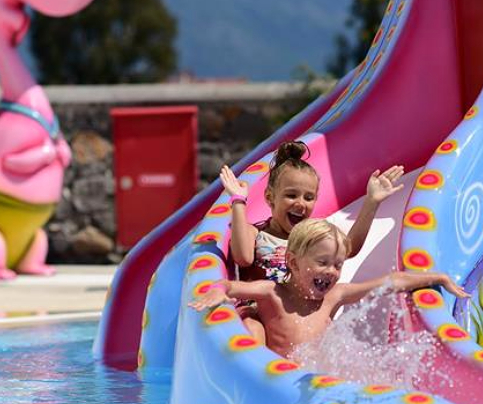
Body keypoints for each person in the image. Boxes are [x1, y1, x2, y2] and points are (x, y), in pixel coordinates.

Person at [189, 219, 468, 358]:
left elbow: (389, 283)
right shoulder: (271, 293)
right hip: (277, 381)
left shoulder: (335, 296)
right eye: (322, 262)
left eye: (337, 265)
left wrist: (437, 277)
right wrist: (218, 291)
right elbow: (228, 284)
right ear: (294, 263)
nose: (331, 272)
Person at [219, 141, 404, 340]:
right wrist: (238, 201)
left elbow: (347, 249)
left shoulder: (312, 237)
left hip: (300, 313)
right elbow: (243, 257)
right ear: (270, 197)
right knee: (251, 324)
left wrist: (371, 202)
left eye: (309, 197)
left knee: (324, 326)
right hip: (262, 313)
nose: (300, 203)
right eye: (291, 195)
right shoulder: (255, 232)